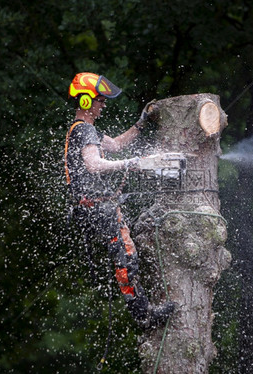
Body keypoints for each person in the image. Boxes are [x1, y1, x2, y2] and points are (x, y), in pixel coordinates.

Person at [64, 72, 175, 329]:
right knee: (126, 258)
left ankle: (142, 311)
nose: (103, 105)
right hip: (97, 209)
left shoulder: (87, 131)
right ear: (85, 102)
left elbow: (114, 145)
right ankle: (143, 316)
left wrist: (141, 123)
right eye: (100, 100)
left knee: (128, 254)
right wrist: (132, 164)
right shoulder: (83, 130)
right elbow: (93, 164)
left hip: (100, 207)